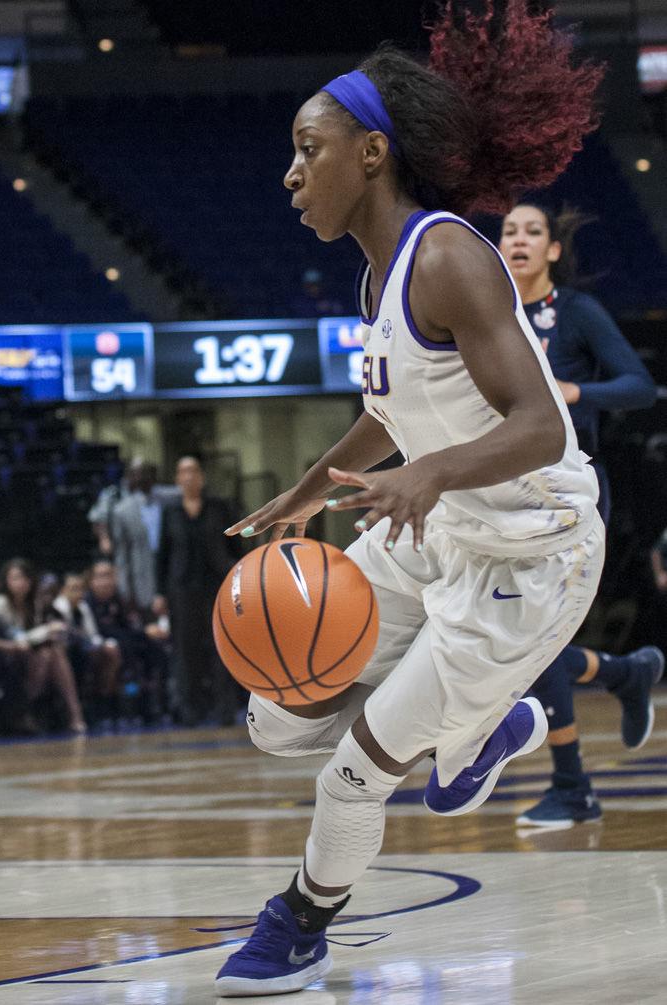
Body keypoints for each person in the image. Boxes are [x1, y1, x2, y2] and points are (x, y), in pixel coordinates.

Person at [215, 2, 608, 995]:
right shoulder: (375, 279)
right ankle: (485, 726)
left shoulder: (446, 258)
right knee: (274, 715)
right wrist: (308, 490)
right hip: (436, 530)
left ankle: (299, 923)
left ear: (373, 153)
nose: (291, 173)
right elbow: (394, 410)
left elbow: (540, 425)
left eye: (310, 150)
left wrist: (427, 473)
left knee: (354, 766)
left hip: (530, 548)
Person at [498, 203, 663, 827]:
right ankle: (624, 672)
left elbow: (639, 386)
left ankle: (573, 786)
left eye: (531, 232)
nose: (518, 240)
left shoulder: (575, 313)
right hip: (504, 493)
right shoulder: (489, 316)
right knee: (515, 641)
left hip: (570, 492)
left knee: (533, 641)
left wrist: (574, 391)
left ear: (553, 251)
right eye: (508, 231)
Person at [155, 456, 242, 727]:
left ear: (202, 477)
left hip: (217, 585)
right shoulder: (171, 512)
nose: (189, 476)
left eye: (193, 471)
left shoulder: (220, 507)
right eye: (183, 472)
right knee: (185, 650)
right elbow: (163, 556)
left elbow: (237, 548)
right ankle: (189, 712)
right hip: (181, 589)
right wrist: (159, 593)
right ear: (177, 480)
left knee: (221, 648)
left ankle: (225, 711)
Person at [0, 559, 86, 735]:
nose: (20, 583)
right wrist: (44, 631)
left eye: (24, 578)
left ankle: (73, 712)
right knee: (47, 655)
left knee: (52, 653)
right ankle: (25, 710)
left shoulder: (35, 603)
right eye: (15, 578)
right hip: (7, 656)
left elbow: (17, 635)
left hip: (27, 652)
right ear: (6, 581)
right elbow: (12, 639)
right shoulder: (0, 604)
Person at [86, 559, 168, 725]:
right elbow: (99, 631)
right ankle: (114, 707)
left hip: (125, 643)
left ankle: (156, 699)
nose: (105, 581)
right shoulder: (87, 603)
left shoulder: (119, 600)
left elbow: (129, 626)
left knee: (153, 647)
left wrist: (147, 632)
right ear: (91, 581)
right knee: (124, 649)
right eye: (100, 576)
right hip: (100, 647)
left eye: (109, 576)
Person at [52, 572, 122, 727]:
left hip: (85, 649)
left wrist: (104, 644)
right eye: (73, 588)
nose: (77, 593)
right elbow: (64, 637)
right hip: (68, 652)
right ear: (63, 590)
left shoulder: (83, 607)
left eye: (80, 589)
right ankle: (80, 710)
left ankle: (104, 701)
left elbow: (93, 635)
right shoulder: (58, 607)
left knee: (111, 653)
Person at [111, 460, 170, 612]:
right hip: (142, 575)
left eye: (145, 473)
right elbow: (122, 553)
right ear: (128, 478)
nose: (141, 478)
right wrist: (125, 589)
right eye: (135, 474)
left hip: (171, 569)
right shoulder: (122, 510)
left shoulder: (171, 499)